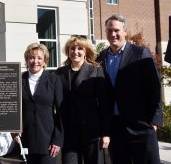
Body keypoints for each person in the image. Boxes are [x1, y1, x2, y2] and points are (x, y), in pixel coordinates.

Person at [97, 14, 163, 164]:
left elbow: (153, 88)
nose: (112, 34)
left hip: (141, 125)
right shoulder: (100, 58)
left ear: (125, 31)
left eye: (116, 30)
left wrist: (154, 120)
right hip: (115, 127)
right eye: (109, 30)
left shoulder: (140, 53)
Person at [56, 36, 110, 164]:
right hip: (69, 132)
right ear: (68, 51)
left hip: (92, 132)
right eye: (72, 48)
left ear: (86, 51)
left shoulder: (96, 69)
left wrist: (106, 132)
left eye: (80, 48)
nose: (75, 51)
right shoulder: (60, 72)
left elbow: (104, 104)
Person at [12, 43, 64, 164]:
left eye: (39, 58)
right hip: (25, 141)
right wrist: (12, 128)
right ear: (27, 60)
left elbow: (62, 112)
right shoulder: (19, 80)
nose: (35, 61)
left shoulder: (54, 80)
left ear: (45, 61)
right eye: (31, 57)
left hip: (49, 142)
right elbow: (13, 108)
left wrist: (58, 140)